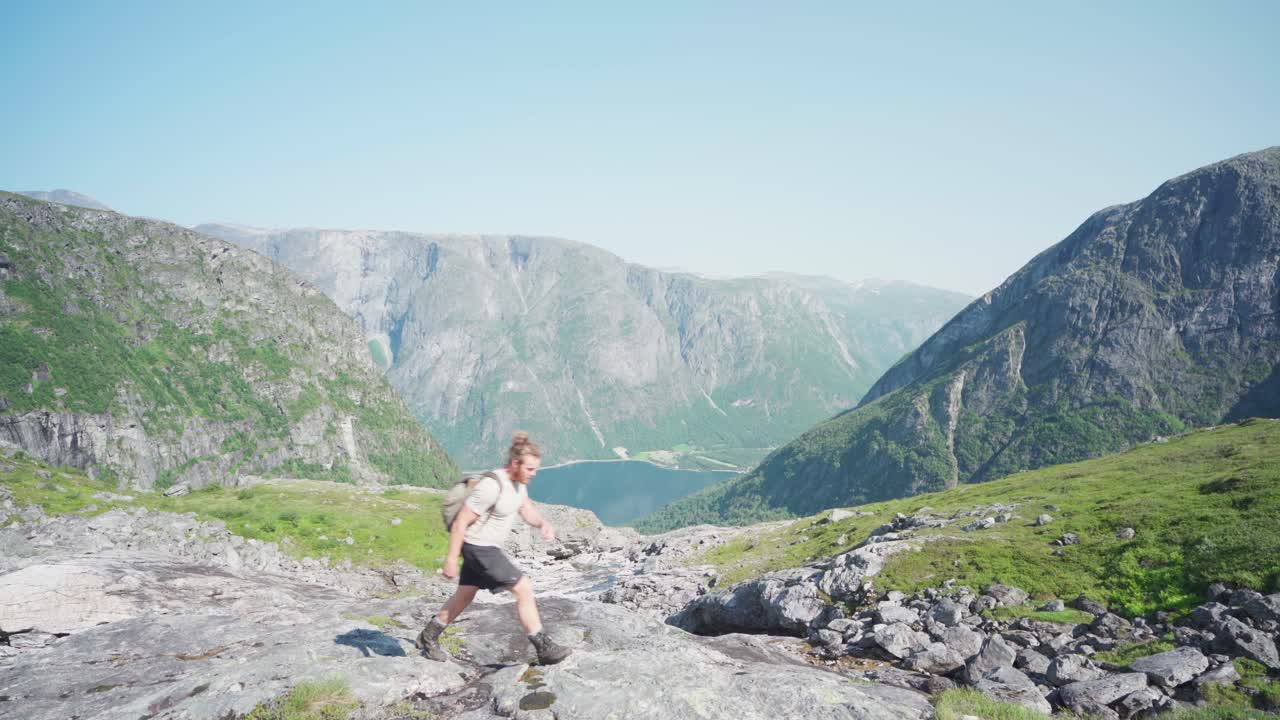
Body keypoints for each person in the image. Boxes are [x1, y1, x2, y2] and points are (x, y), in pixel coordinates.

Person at [416, 432, 572, 665]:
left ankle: (428, 637)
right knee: (523, 588)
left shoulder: (519, 485)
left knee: (464, 596)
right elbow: (460, 522)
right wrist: (450, 559)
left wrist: (542, 523)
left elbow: (526, 509)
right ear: (515, 463)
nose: (534, 473)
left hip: (483, 548)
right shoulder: (491, 486)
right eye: (530, 469)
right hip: (479, 548)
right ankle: (543, 647)